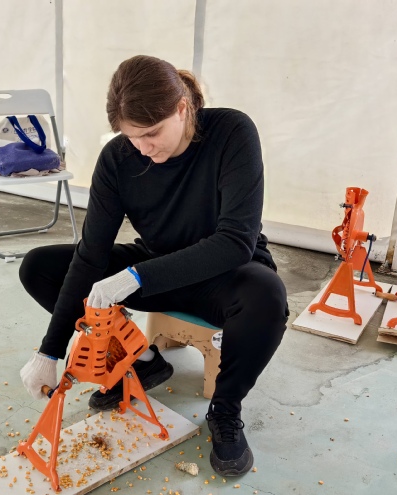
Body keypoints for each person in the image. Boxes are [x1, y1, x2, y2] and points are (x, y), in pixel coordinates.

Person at [19, 55, 289, 476]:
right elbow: (91, 255)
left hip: (224, 274)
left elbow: (236, 241)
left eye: (151, 133)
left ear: (182, 108)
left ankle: (225, 409)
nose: (143, 148)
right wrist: (49, 351)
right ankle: (139, 362)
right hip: (156, 265)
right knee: (40, 266)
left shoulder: (232, 132)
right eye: (131, 137)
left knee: (267, 296)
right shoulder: (118, 159)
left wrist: (134, 277)